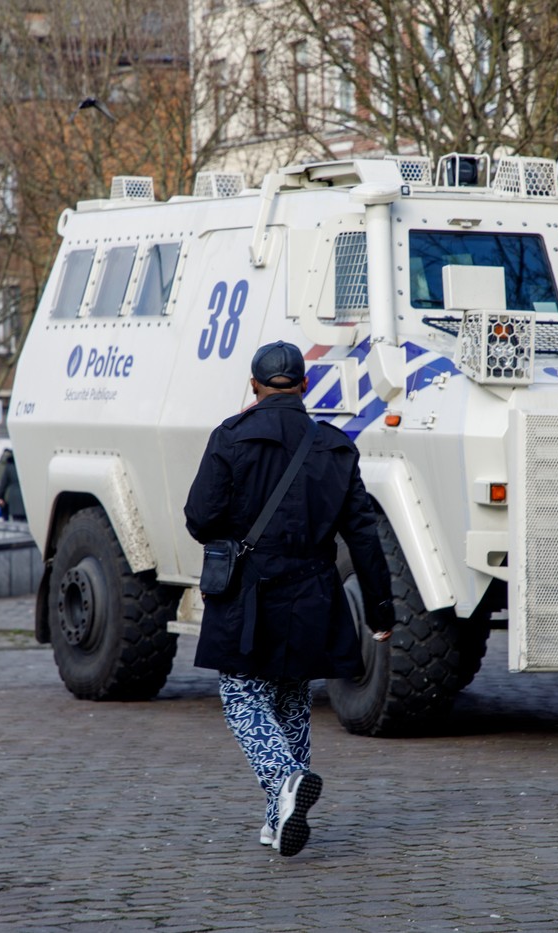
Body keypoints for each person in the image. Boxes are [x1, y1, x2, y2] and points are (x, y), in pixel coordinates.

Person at [183, 340, 395, 857]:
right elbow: (363, 535)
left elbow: (200, 520)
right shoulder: (335, 446)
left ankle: (285, 779)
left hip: (249, 590)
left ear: (253, 385)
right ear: (304, 385)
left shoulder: (230, 436)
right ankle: (279, 819)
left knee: (242, 695)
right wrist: (380, 608)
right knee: (292, 698)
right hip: (313, 590)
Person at [0, 448, 25, 521]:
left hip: (13, 497)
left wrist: (0, 497)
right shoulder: (26, 465)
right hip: (26, 496)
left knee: (16, 520)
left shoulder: (9, 466)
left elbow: (3, 484)